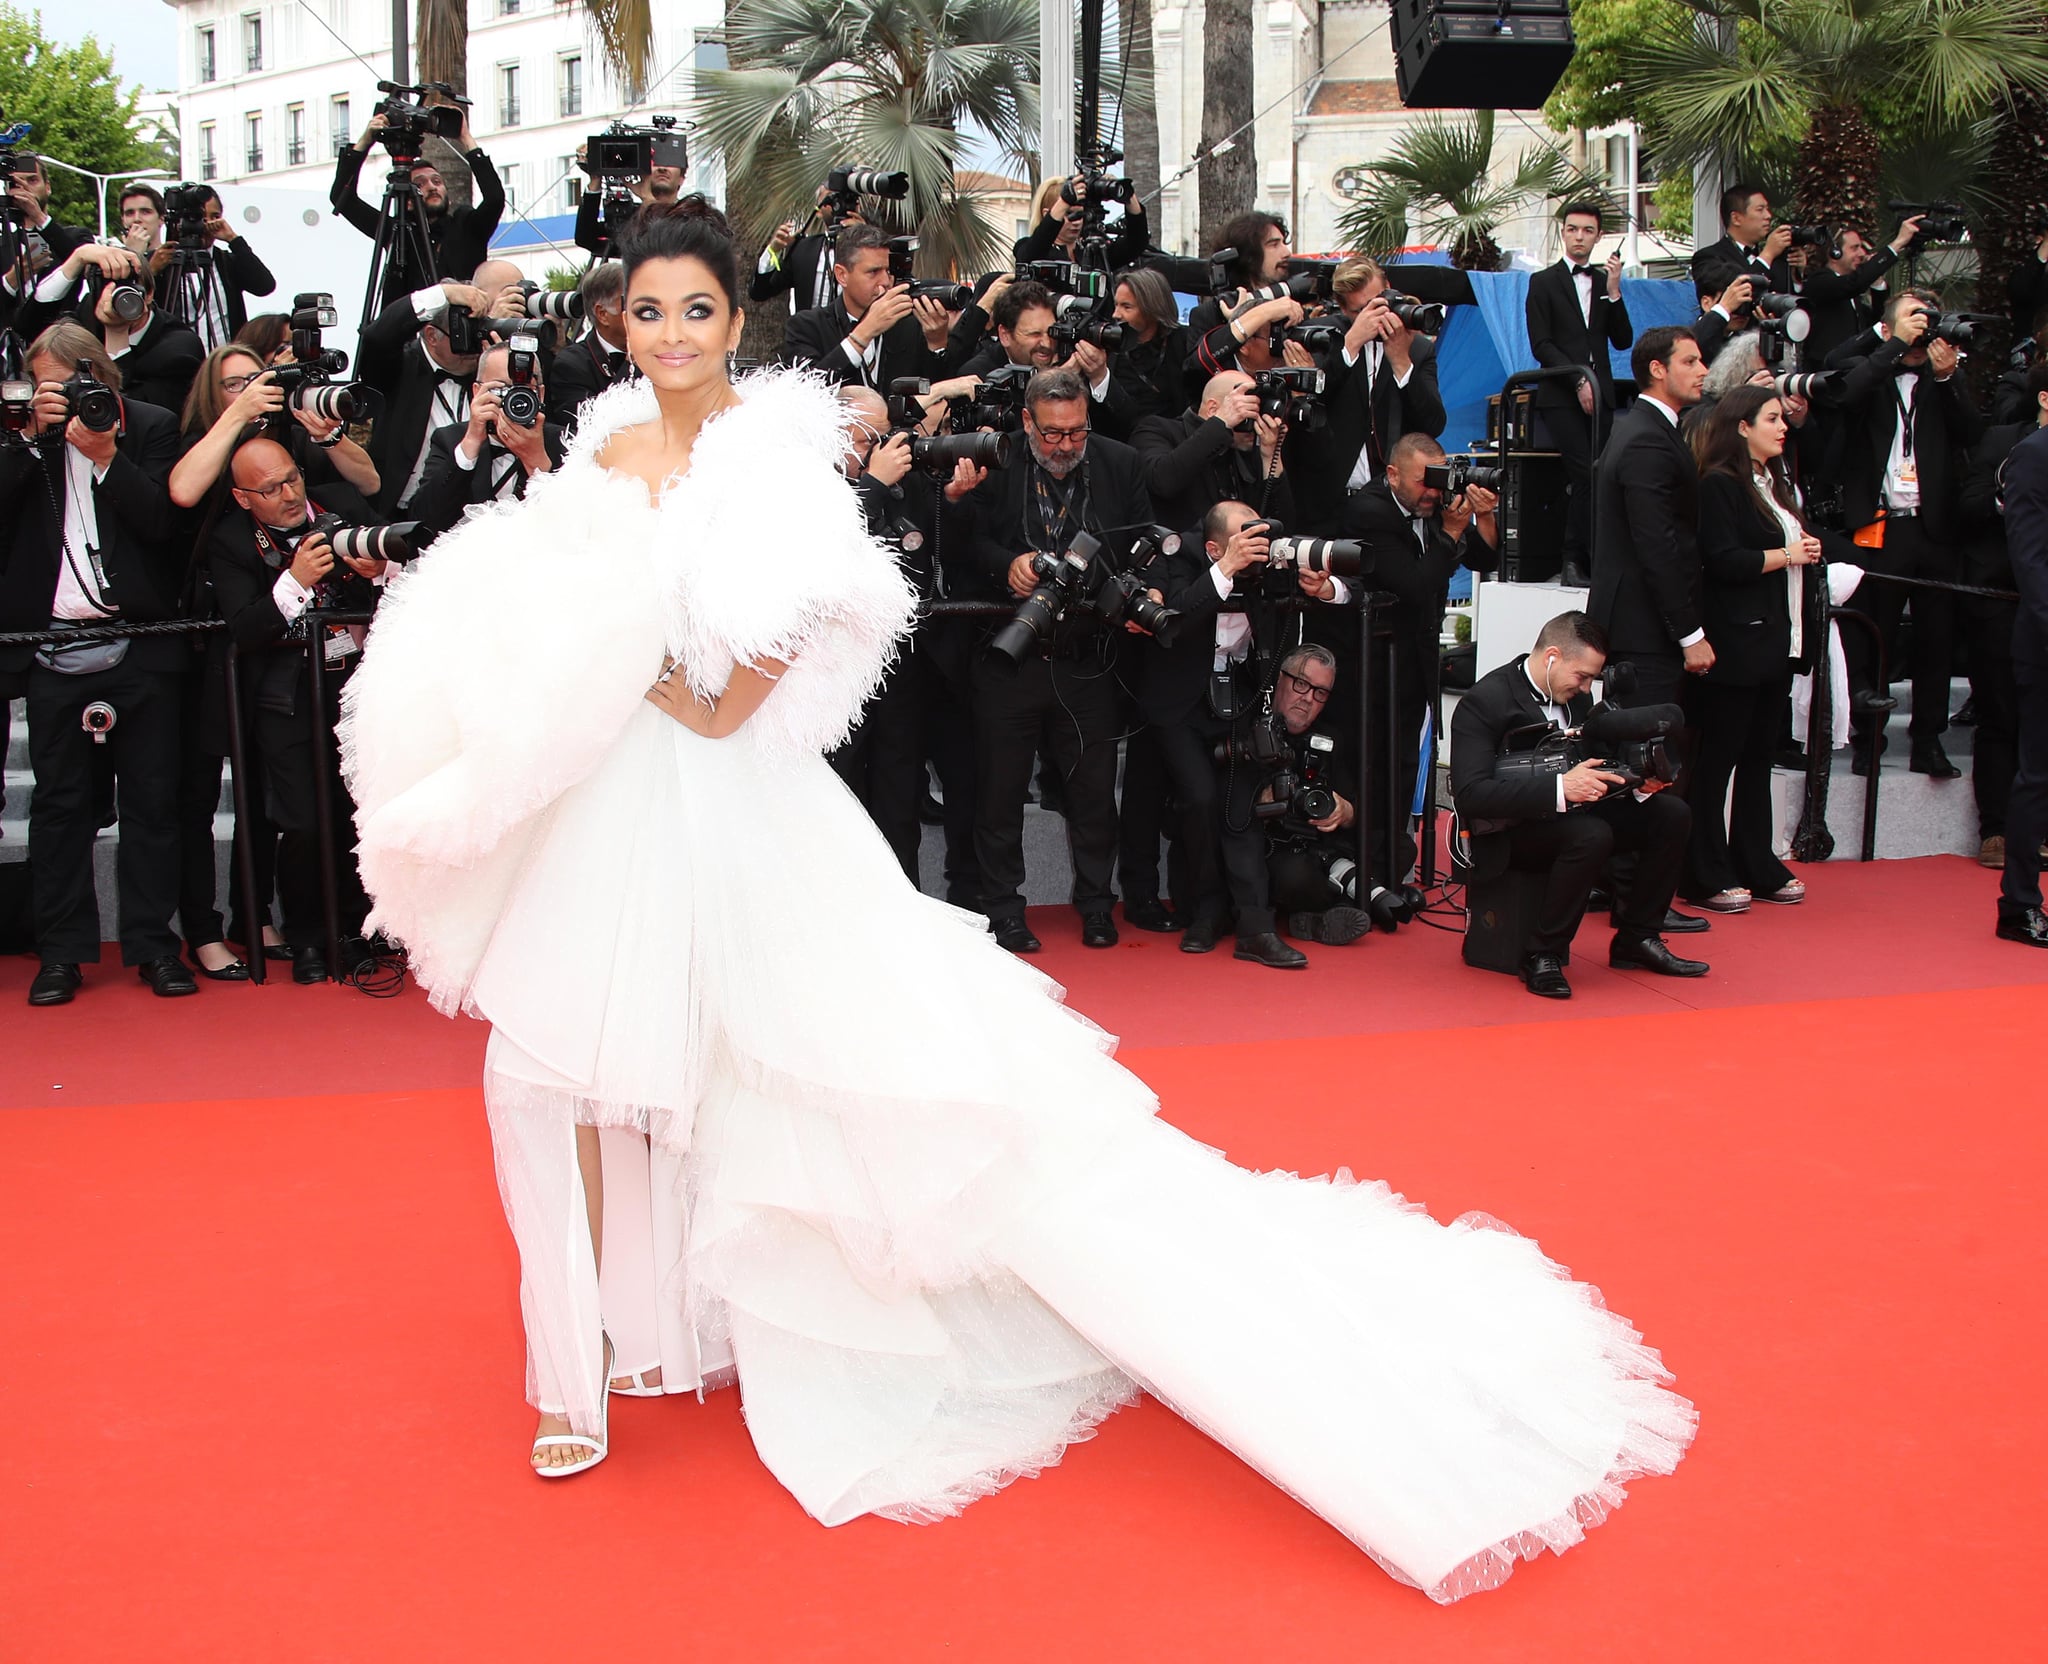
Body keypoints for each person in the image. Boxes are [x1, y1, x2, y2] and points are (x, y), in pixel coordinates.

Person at [337, 200, 1695, 1587]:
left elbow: (814, 623)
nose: (671, 336)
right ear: (616, 324)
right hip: (602, 804)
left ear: (736, 321)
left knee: (773, 1072)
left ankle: (687, 1331)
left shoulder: (777, 460)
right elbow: (536, 597)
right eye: (646, 312)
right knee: (558, 1069)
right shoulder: (603, 446)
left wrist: (700, 691)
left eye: (696, 311)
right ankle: (591, 1362)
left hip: (726, 803)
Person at [0, 322, 192, 1005]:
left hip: (139, 644)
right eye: (49, 386)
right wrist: (27, 438)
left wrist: (106, 454)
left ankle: (152, 946)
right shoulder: (19, 436)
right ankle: (62, 953)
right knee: (59, 809)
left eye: (74, 383)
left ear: (102, 376)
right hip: (50, 647)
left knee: (151, 806)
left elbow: (164, 528)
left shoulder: (147, 426)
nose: (65, 398)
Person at [970, 364, 1155, 953]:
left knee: (1094, 792)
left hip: (1087, 657)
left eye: (1075, 433)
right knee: (1000, 792)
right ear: (1027, 421)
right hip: (1011, 653)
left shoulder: (1119, 462)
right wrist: (1008, 566)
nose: (1064, 446)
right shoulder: (998, 459)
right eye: (1051, 434)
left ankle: (1098, 903)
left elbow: (1141, 541)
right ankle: (1003, 908)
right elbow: (966, 537)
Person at [1450, 612, 1707, 999]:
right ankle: (1543, 954)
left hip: (1574, 815)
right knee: (1591, 834)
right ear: (1552, 656)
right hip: (1509, 831)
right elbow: (1470, 793)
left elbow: (1598, 762)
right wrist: (1560, 788)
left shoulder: (1578, 697)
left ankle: (1637, 938)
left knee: (1671, 814)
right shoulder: (1484, 701)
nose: (1587, 686)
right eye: (1582, 676)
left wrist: (1637, 786)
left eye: (1591, 678)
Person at [209, 436, 387, 982]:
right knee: (304, 821)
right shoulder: (232, 541)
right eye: (270, 489)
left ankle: (356, 932)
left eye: (291, 478)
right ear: (243, 498)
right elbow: (245, 629)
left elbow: (397, 581)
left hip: (355, 688)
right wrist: (295, 581)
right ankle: (309, 937)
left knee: (357, 816)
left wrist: (376, 569)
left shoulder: (342, 509)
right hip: (283, 698)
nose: (288, 495)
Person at [1327, 434, 1500, 890]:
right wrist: (1450, 533)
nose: (1434, 491)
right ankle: (1352, 869)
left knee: (1404, 767)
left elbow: (1488, 556)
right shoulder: (1370, 511)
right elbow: (1415, 586)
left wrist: (1482, 514)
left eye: (1440, 479)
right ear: (1393, 475)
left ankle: (1389, 872)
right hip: (1367, 666)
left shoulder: (1439, 506)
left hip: (1414, 663)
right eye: (1425, 481)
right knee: (1365, 766)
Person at [1684, 385, 1826, 911]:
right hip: (1736, 641)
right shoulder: (1719, 485)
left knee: (1759, 759)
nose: (1782, 426)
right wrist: (1786, 554)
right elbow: (1722, 560)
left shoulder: (1774, 483)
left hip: (1777, 640)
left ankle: (1755, 860)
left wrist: (1801, 551)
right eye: (1771, 418)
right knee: (1718, 759)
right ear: (1742, 426)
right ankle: (1703, 869)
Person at [1830, 290, 1984, 776]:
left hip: (1934, 527)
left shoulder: (1943, 378)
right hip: (1880, 526)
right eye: (1912, 318)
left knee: (1937, 637)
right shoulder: (1871, 370)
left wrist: (1946, 374)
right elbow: (1845, 384)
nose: (1923, 328)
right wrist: (1892, 346)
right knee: (1876, 633)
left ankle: (1928, 740)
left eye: (1928, 319)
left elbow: (1973, 434)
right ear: (1889, 326)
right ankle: (1867, 737)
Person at [1590, 326, 1712, 708]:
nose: (1703, 370)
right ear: (1658, 369)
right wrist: (1690, 634)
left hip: (1641, 626)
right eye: (1690, 361)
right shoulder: (1646, 437)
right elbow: (1657, 543)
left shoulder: (1644, 427)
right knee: (1644, 753)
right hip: (1644, 630)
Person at [1958, 362, 2048, 869]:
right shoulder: (2003, 442)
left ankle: (2036, 829)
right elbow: (1964, 507)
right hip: (1997, 597)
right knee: (1999, 714)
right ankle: (1995, 828)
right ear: (2045, 399)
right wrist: (2005, 500)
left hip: (2042, 599)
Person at [353, 268, 519, 515]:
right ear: (431, 335)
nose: (472, 346)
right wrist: (442, 294)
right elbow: (377, 338)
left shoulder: (484, 368)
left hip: (474, 512)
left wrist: (499, 363)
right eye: (464, 335)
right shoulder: (401, 367)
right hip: (400, 512)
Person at [1526, 204, 1632, 587]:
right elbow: (1541, 343)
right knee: (1584, 474)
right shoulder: (1543, 282)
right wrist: (1577, 379)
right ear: (1564, 233)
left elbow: (1623, 339)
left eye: (1588, 230)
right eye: (1573, 229)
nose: (1579, 236)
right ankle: (1573, 559)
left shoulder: (1605, 282)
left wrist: (1615, 292)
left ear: (1598, 236)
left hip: (1601, 393)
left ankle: (1597, 558)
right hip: (1561, 393)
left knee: (1603, 475)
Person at [332, 106, 505, 305]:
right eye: (420, 184)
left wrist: (465, 138)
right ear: (407, 201)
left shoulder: (466, 225)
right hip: (410, 332)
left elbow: (495, 199)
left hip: (463, 330)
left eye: (437, 181)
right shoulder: (396, 231)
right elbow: (342, 199)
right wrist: (364, 142)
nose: (432, 187)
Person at [408, 339, 569, 541]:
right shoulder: (450, 440)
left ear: (541, 394)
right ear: (477, 392)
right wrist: (470, 445)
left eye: (523, 390)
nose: (512, 399)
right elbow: (424, 523)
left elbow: (576, 525)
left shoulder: (565, 442)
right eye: (500, 389)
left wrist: (537, 462)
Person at [779, 224, 954, 392]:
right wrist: (865, 332)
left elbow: (937, 392)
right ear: (842, 275)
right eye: (873, 272)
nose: (885, 282)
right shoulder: (806, 326)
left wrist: (937, 344)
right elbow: (806, 392)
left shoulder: (909, 324)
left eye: (888, 271)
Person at [1995, 418, 2048, 946]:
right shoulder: (2034, 455)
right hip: (2044, 645)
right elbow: (2031, 561)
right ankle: (2019, 904)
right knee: (2039, 777)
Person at [125, 183, 279, 350]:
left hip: (222, 360)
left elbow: (265, 286)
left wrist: (234, 240)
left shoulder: (226, 261)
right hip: (174, 360)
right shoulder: (162, 259)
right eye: (200, 217)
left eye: (215, 216)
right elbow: (132, 310)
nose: (207, 223)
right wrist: (152, 270)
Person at [1800, 217, 1921, 366]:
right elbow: (1855, 284)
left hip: (1854, 368)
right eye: (1854, 248)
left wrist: (1877, 284)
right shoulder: (1819, 282)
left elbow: (1879, 321)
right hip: (1825, 371)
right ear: (1834, 253)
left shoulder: (1852, 293)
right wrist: (1897, 243)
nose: (1862, 253)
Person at [545, 260, 635, 432]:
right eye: (629, 301)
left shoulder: (664, 350)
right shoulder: (571, 365)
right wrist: (632, 363)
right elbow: (589, 427)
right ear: (602, 314)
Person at [748, 185, 853, 315]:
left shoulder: (874, 248)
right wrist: (773, 251)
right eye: (832, 197)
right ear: (818, 210)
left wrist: (865, 235)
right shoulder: (804, 249)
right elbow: (759, 292)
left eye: (845, 198)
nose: (839, 204)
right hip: (811, 333)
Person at [1107, 266, 1189, 425]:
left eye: (1126, 307)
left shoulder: (1183, 342)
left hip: (1169, 438)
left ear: (1151, 308)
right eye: (1116, 305)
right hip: (1119, 437)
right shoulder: (1110, 347)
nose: (1116, 315)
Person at [1691, 182, 1793, 296]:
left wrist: (1797, 274)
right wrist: (1767, 255)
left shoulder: (1775, 259)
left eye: (1767, 209)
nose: (1768, 215)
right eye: (1760, 210)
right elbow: (1733, 294)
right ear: (1736, 218)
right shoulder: (1708, 258)